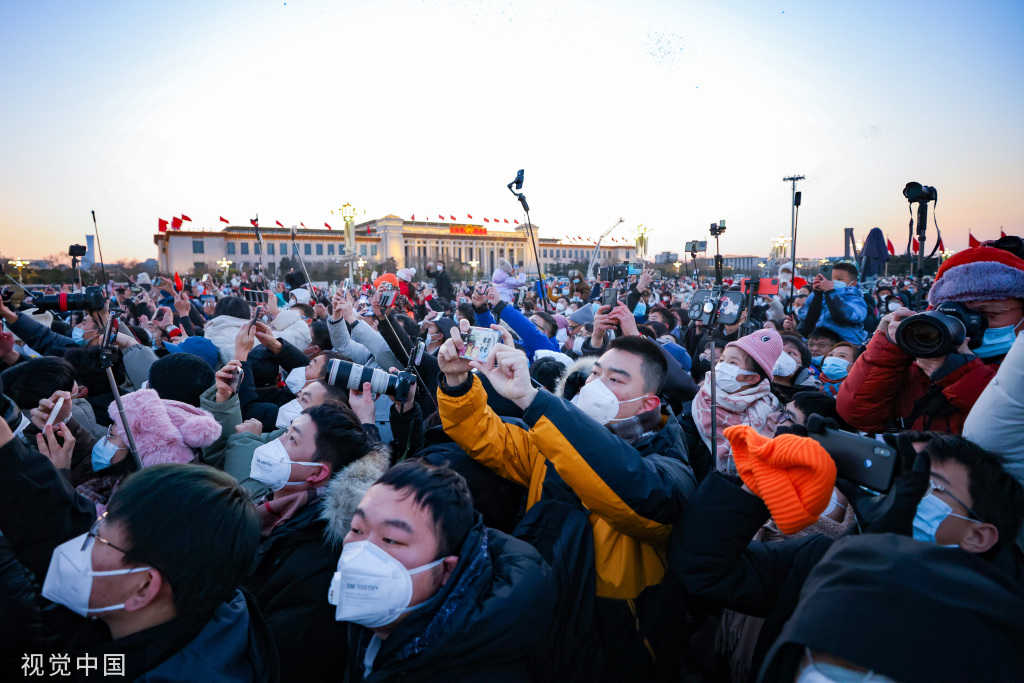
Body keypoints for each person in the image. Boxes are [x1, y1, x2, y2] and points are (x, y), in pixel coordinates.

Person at [437, 323, 696, 680]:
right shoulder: (553, 436)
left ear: (648, 402)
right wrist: (458, 384)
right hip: (542, 612)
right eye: (595, 373)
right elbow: (487, 438)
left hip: (613, 640)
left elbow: (638, 493)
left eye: (616, 381)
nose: (595, 385)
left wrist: (535, 401)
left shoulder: (667, 464)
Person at [669, 427, 1024, 681]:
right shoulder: (824, 557)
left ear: (979, 534)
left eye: (926, 485)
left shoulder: (998, 627)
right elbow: (704, 570)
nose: (903, 496)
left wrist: (884, 563)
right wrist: (760, 484)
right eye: (898, 480)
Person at [0, 404, 277, 681]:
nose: (82, 539)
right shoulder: (205, 591)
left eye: (97, 535)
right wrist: (8, 454)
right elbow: (62, 522)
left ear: (144, 587)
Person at [334, 458, 556, 681]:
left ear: (447, 570)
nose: (363, 551)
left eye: (391, 540)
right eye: (356, 529)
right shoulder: (375, 627)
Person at [838, 246, 1024, 433]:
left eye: (987, 313)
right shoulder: (922, 363)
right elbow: (858, 415)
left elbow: (1013, 430)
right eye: (956, 314)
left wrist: (958, 373)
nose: (969, 324)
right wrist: (888, 349)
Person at [690, 329, 782, 474]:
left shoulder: (772, 413)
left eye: (733, 363)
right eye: (722, 360)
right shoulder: (700, 401)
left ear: (752, 378)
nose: (722, 366)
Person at [797, 261, 867, 345]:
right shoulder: (820, 294)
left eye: (839, 279)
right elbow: (806, 318)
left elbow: (844, 316)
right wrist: (817, 294)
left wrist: (830, 292)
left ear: (853, 283)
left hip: (844, 343)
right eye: (830, 278)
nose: (833, 282)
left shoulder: (855, 298)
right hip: (817, 341)